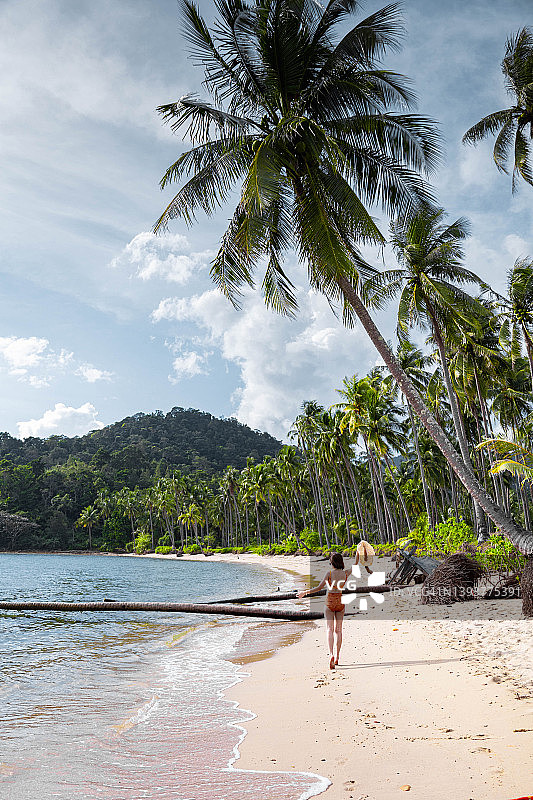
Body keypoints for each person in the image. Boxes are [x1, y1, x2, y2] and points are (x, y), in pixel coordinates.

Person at [298, 552, 349, 670]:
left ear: (331, 563)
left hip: (329, 602)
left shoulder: (329, 573)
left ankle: (331, 654)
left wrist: (304, 593)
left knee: (329, 629)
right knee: (339, 630)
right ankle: (337, 657)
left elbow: (319, 588)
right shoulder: (345, 573)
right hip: (340, 602)